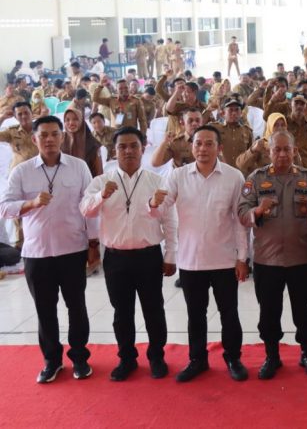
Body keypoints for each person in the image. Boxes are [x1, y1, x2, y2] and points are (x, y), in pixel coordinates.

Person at [0, 116, 97, 383]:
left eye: (55, 134)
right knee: (45, 309)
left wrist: (93, 243)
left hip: (72, 249)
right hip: (36, 253)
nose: (50, 139)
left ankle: (79, 358)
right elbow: (4, 207)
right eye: (44, 135)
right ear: (34, 139)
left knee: (76, 306)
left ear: (62, 137)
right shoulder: (22, 171)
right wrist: (30, 203)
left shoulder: (78, 167)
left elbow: (90, 208)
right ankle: (52, 361)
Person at [80, 126, 177, 380]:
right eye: (122, 146)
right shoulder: (102, 181)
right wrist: (102, 196)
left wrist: (170, 256)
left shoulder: (156, 181)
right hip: (116, 257)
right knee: (122, 313)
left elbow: (169, 221)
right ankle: (127, 359)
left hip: (149, 255)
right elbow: (85, 210)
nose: (128, 151)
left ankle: (156, 356)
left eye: (134, 145)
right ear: (115, 150)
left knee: (154, 310)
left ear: (143, 148)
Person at [161, 125, 250, 383]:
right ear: (192, 147)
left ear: (219, 148)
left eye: (209, 143)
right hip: (191, 260)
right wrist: (153, 203)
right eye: (198, 143)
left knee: (229, 313)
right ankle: (197, 360)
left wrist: (242, 258)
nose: (203, 148)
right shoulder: (177, 177)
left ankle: (233, 357)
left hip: (224, 259)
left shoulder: (234, 177)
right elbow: (161, 208)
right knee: (195, 315)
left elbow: (239, 221)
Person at [238, 130, 307, 380]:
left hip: (302, 258)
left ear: (295, 151)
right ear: (269, 151)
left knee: (304, 311)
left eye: (287, 149)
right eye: (277, 149)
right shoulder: (256, 178)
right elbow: (241, 213)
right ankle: (272, 356)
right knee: (269, 312)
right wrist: (257, 210)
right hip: (267, 261)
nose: (283, 154)